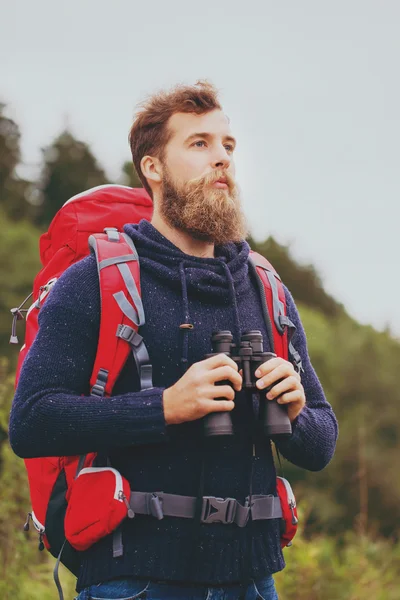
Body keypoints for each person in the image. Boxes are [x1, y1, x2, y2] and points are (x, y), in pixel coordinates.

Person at [9, 81, 338, 600]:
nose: (222, 159)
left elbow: (321, 445)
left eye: (228, 145)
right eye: (200, 144)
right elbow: (30, 423)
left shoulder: (265, 287)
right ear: (153, 168)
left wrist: (296, 413)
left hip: (252, 580)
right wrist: (165, 406)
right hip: (134, 579)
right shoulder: (96, 280)